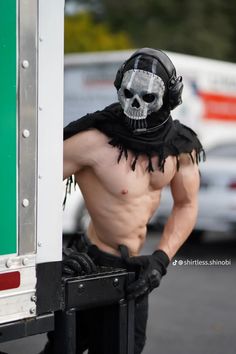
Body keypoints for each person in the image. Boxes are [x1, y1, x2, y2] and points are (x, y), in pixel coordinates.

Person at [41, 48, 204, 354]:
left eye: (147, 97)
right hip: (87, 265)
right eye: (128, 93)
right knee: (65, 349)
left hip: (135, 272)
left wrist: (160, 260)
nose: (135, 105)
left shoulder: (180, 147)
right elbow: (29, 193)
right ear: (119, 87)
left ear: (170, 97)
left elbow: (186, 204)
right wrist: (49, 255)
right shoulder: (93, 141)